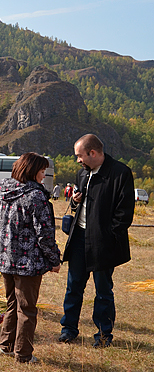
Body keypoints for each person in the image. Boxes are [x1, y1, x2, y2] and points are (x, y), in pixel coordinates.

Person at [58, 134, 135, 348]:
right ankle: (68, 330)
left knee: (103, 291)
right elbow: (80, 207)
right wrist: (75, 202)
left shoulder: (120, 173)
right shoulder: (83, 174)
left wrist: (109, 236)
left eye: (79, 156)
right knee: (73, 287)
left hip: (104, 243)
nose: (78, 160)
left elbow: (124, 213)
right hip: (79, 239)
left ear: (93, 153)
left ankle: (103, 336)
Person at [0, 152, 61, 363]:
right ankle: (23, 354)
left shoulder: (3, 190)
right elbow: (45, 234)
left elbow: (0, 222)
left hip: (5, 257)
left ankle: (6, 346)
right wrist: (54, 260)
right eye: (41, 171)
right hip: (27, 261)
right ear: (32, 171)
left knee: (12, 303)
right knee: (27, 308)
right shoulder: (36, 196)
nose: (43, 175)